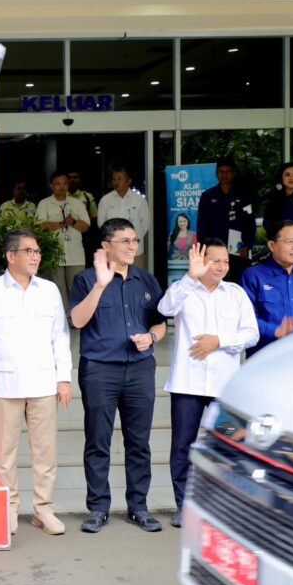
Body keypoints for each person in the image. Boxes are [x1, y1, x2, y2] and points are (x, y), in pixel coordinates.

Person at [0, 230, 72, 536]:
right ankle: (9, 508)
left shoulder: (49, 290)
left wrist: (64, 378)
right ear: (11, 256)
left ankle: (44, 509)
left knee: (45, 453)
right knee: (5, 454)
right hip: (5, 384)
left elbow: (60, 337)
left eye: (37, 251)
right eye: (29, 251)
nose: (36, 256)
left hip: (43, 383)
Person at [69, 218, 167, 534]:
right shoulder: (86, 279)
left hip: (139, 368)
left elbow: (160, 323)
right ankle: (98, 508)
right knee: (98, 440)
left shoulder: (146, 280)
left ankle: (138, 507)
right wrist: (101, 284)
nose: (132, 246)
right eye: (125, 240)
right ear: (106, 245)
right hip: (100, 370)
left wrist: (151, 337)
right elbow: (77, 320)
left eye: (134, 240)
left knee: (139, 442)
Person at [156, 240, 258, 528]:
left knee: (227, 446)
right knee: (183, 447)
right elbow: (164, 308)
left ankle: (222, 505)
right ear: (201, 261)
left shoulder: (235, 294)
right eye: (215, 261)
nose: (222, 266)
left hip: (224, 387)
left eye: (225, 261)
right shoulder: (184, 290)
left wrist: (219, 341)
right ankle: (184, 505)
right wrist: (190, 276)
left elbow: (251, 334)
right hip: (187, 384)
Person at [241, 221, 293, 356]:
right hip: (267, 357)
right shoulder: (253, 276)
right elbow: (245, 319)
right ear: (272, 245)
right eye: (290, 242)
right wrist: (275, 331)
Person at [35, 170, 91, 313]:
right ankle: (63, 318)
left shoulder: (77, 203)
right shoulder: (44, 203)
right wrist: (61, 224)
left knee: (77, 287)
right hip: (55, 254)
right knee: (58, 288)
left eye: (65, 183)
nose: (61, 187)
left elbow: (86, 226)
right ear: (51, 186)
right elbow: (39, 226)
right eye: (57, 184)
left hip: (75, 254)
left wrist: (73, 222)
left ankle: (77, 317)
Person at [196, 157, 256, 284]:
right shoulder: (208, 196)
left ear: (233, 173)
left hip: (238, 249)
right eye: (221, 172)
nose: (224, 175)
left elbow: (250, 223)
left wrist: (248, 245)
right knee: (214, 282)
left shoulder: (243, 195)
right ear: (217, 174)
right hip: (215, 248)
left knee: (239, 282)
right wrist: (206, 246)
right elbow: (202, 224)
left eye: (228, 171)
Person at [98, 167, 151, 268]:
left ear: (128, 181)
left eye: (119, 179)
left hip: (135, 252)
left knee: (136, 276)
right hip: (114, 251)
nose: (116, 182)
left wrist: (132, 240)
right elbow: (102, 224)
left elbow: (145, 224)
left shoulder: (139, 200)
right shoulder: (105, 201)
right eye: (114, 179)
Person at [68, 169, 99, 268]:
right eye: (70, 177)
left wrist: (79, 223)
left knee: (85, 264)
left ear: (80, 179)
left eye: (75, 177)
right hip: (66, 237)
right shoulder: (61, 196)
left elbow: (94, 216)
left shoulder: (87, 196)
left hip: (84, 238)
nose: (72, 180)